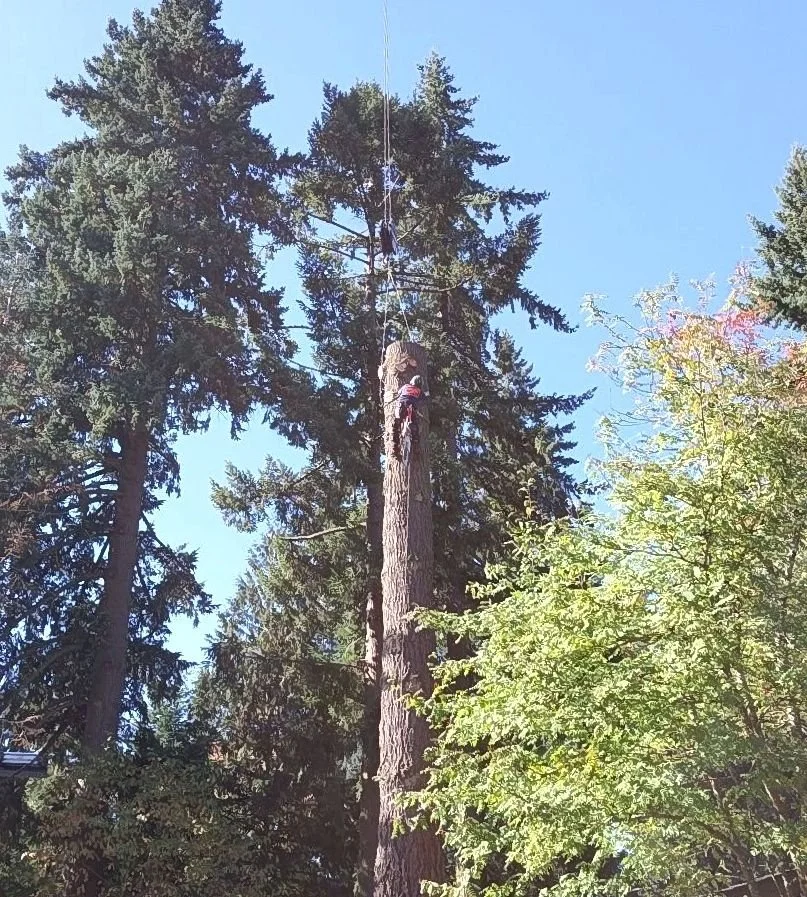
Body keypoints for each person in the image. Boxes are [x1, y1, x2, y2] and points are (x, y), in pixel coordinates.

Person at [393, 375, 428, 459]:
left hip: (401, 407)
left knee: (395, 426)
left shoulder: (405, 386)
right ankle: (416, 448)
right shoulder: (419, 391)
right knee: (414, 427)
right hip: (411, 408)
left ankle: (395, 447)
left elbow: (398, 393)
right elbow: (425, 400)